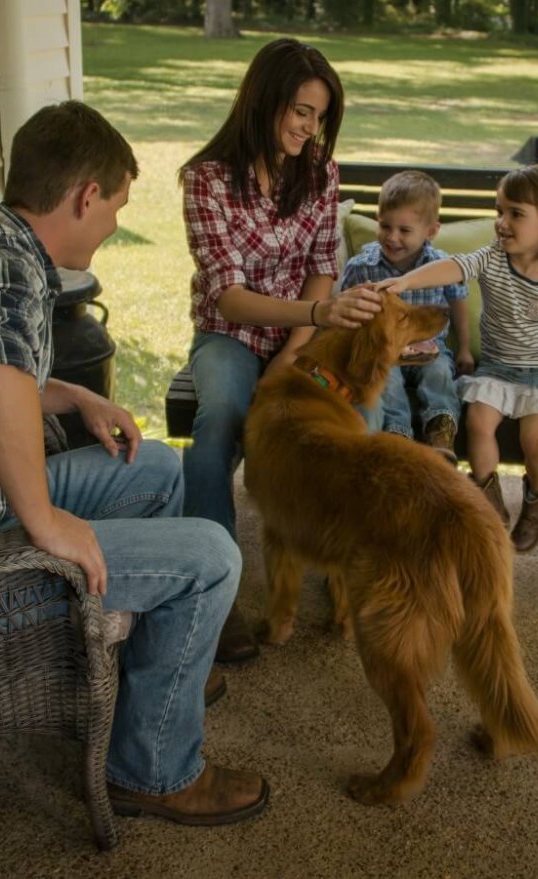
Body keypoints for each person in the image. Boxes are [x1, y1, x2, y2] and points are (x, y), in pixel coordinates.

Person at [0, 101, 268, 826]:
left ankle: (146, 685)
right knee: (213, 555)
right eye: (117, 207)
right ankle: (153, 769)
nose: (113, 225)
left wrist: (71, 397)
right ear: (84, 196)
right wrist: (44, 522)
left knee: (156, 467)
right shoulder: (9, 273)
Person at [180, 38, 381, 659]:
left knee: (357, 425)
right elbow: (232, 299)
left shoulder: (318, 172)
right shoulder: (205, 180)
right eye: (300, 111)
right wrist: (315, 315)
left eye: (318, 117)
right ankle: (217, 595)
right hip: (229, 334)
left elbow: (323, 264)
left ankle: (342, 568)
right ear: (264, 100)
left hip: (299, 335)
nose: (308, 128)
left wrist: (297, 347)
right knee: (218, 425)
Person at [381, 165, 538, 552]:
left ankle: (536, 508)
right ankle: (488, 510)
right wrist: (404, 281)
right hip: (496, 371)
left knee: (536, 442)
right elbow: (455, 266)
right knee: (477, 422)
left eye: (516, 214)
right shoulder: (492, 258)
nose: (502, 223)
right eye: (499, 211)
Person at [341, 170, 472, 463]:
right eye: (385, 226)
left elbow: (459, 304)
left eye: (404, 230)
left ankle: (440, 430)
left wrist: (463, 348)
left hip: (430, 348)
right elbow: (345, 310)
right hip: (386, 352)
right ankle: (398, 435)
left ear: (431, 231)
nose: (392, 237)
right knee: (387, 381)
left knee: (439, 374)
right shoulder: (362, 267)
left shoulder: (441, 266)